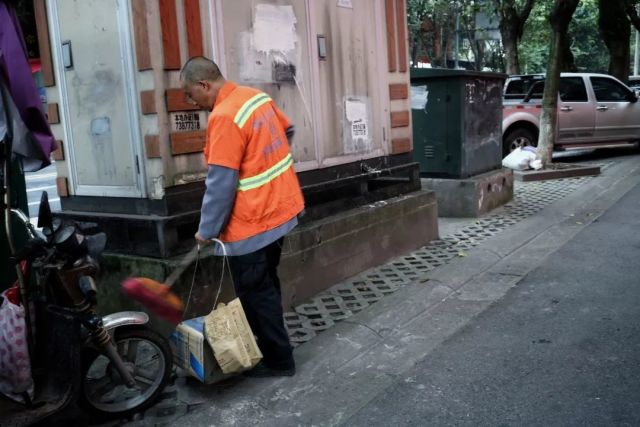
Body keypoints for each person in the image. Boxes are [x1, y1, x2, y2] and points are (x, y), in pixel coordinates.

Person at [180, 56, 304, 377]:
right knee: (266, 285)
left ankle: (279, 360)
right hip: (281, 212)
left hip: (252, 224)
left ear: (204, 84)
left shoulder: (223, 117)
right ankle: (271, 348)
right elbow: (286, 131)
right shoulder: (255, 97)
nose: (194, 103)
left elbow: (221, 184)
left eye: (192, 95)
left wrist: (206, 229)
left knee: (255, 294)